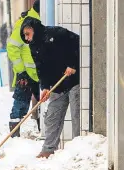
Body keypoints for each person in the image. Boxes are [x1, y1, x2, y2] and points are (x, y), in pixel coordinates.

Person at [21, 16, 80, 159]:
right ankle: (48, 149)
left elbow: (78, 44)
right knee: (52, 116)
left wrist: (72, 65)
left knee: (77, 115)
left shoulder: (57, 33)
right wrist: (45, 87)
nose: (27, 39)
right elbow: (41, 68)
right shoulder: (33, 46)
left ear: (33, 28)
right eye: (24, 36)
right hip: (57, 85)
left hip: (73, 80)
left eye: (27, 34)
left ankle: (79, 149)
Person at [6, 0, 41, 137]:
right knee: (20, 103)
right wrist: (21, 71)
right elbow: (12, 46)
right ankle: (15, 135)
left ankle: (42, 129)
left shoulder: (41, 20)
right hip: (26, 73)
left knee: (43, 102)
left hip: (40, 71)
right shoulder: (26, 23)